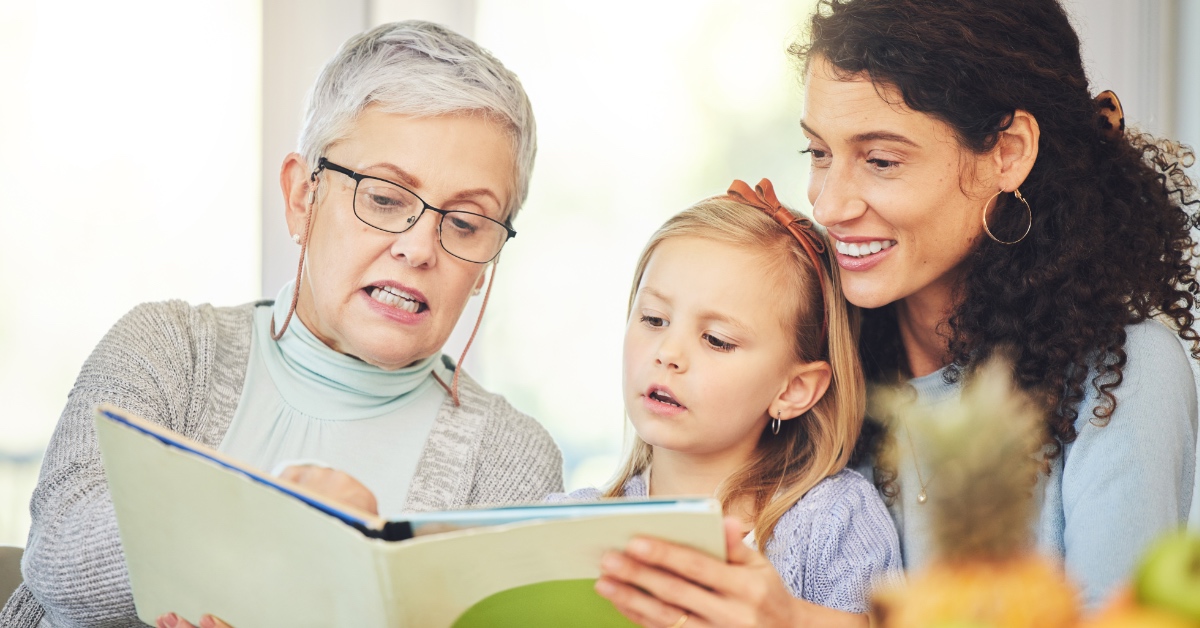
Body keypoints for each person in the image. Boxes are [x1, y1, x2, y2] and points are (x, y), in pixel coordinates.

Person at [602, 0, 1199, 618]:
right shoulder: (820, 363)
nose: (829, 204)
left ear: (1007, 153)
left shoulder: (1122, 374)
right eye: (818, 153)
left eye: (881, 160)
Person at [2, 20, 562, 627]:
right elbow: (58, 565)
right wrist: (270, 518)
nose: (420, 248)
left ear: (489, 259)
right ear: (302, 196)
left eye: (465, 223)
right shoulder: (167, 349)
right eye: (384, 198)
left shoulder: (515, 460)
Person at [568, 180, 901, 627]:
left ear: (794, 390)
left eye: (717, 340)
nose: (668, 352)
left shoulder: (836, 521)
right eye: (653, 319)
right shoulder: (569, 524)